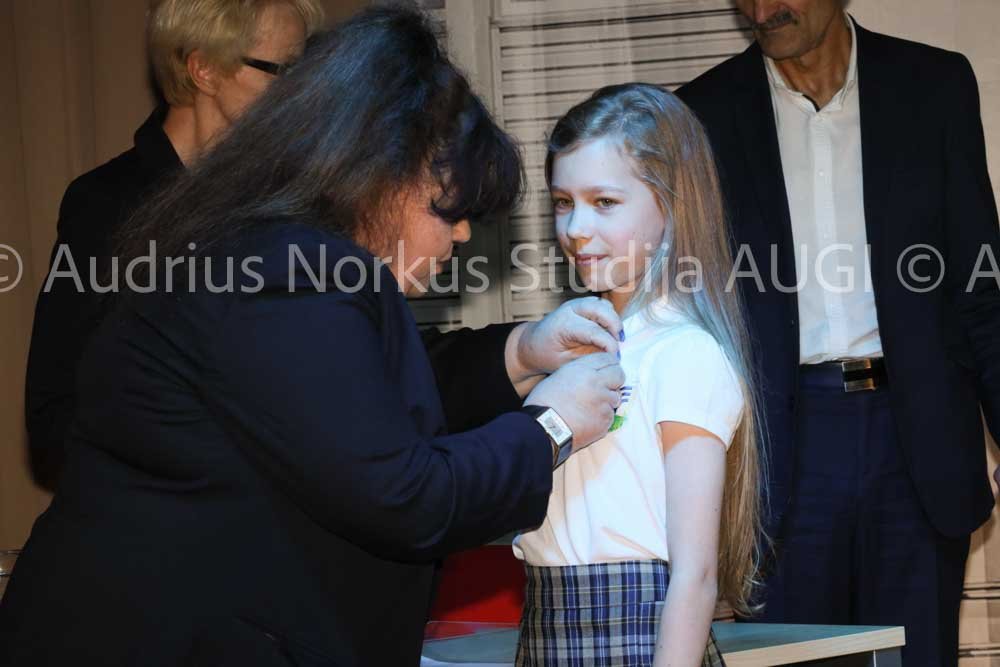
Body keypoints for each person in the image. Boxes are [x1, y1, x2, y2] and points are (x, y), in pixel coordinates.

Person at [0, 8, 627, 667]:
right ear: (387, 173)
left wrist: (523, 352)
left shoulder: (278, 252)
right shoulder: (290, 269)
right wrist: (552, 427)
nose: (462, 234)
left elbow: (352, 406)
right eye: (452, 205)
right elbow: (403, 495)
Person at [676, 1, 1000, 664]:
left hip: (918, 439)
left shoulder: (934, 85)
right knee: (796, 656)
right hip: (780, 446)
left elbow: (980, 287)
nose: (762, 9)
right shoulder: (700, 115)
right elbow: (689, 308)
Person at [513, 83, 766, 667]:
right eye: (562, 201)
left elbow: (695, 575)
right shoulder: (573, 346)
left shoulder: (685, 352)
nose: (576, 227)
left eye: (604, 202)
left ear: (673, 206)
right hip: (547, 626)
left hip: (639, 636)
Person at [25, 0, 324, 489]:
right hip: (156, 520)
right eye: (282, 71)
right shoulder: (108, 204)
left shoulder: (292, 205)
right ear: (204, 69)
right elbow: (54, 419)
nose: (301, 92)